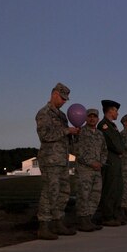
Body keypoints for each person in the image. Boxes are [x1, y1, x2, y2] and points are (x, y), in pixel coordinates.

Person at [35, 83, 79, 240]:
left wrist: (73, 135)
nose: (63, 102)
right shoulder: (43, 113)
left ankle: (57, 222)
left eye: (65, 99)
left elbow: (65, 138)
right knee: (49, 192)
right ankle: (43, 225)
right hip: (50, 159)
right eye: (62, 98)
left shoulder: (62, 116)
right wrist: (66, 130)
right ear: (54, 94)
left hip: (62, 160)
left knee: (64, 191)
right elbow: (45, 136)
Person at [74, 108, 107, 232]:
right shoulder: (80, 132)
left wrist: (101, 163)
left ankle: (89, 219)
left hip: (97, 170)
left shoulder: (100, 134)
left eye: (94, 116)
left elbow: (104, 150)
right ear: (85, 118)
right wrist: (91, 162)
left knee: (95, 195)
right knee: (84, 195)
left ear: (98, 119)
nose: (92, 119)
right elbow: (77, 150)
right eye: (89, 116)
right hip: (84, 170)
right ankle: (82, 221)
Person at [98, 99, 126, 227]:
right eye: (116, 111)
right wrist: (120, 150)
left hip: (117, 160)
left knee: (118, 188)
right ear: (110, 111)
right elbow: (113, 143)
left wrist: (121, 150)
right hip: (111, 159)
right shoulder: (104, 125)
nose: (117, 114)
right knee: (110, 189)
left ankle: (115, 214)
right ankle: (107, 216)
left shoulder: (113, 126)